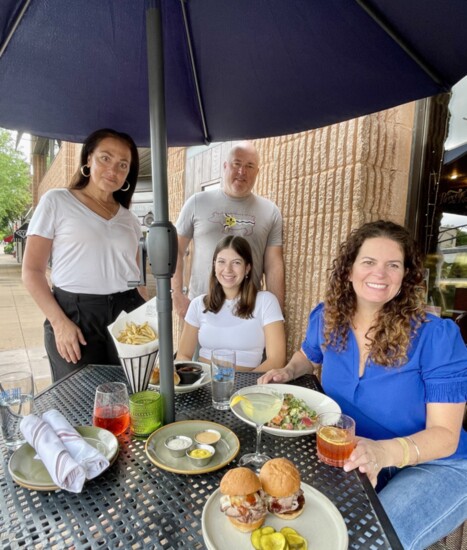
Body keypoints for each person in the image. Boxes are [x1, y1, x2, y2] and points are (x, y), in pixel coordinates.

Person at [259, 220, 467, 550]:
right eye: (369, 262)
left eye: (393, 265)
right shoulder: (328, 317)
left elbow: (445, 436)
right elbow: (307, 354)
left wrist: (383, 452)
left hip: (437, 464)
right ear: (349, 270)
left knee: (368, 541)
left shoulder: (436, 337)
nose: (380, 274)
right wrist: (287, 370)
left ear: (405, 276)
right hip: (355, 452)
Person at [22, 128, 148, 382]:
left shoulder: (131, 220)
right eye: (105, 157)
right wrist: (59, 323)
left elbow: (137, 277)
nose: (113, 168)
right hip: (76, 315)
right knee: (79, 403)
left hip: (128, 315)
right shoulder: (57, 201)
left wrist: (145, 315)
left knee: (133, 395)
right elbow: (32, 271)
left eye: (123, 164)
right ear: (88, 158)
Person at [172, 141, 284, 319]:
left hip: (249, 311)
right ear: (225, 166)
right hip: (202, 310)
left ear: (257, 172)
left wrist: (275, 313)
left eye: (249, 166)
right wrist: (177, 295)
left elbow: (273, 265)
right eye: (237, 164)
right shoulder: (197, 202)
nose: (242, 172)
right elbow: (176, 249)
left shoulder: (270, 212)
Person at [177, 235, 285, 372]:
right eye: (221, 262)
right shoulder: (198, 304)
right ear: (214, 265)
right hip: (203, 382)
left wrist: (244, 386)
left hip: (248, 386)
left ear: (247, 268)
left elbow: (277, 360)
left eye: (236, 263)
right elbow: (183, 354)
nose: (228, 269)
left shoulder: (266, 302)